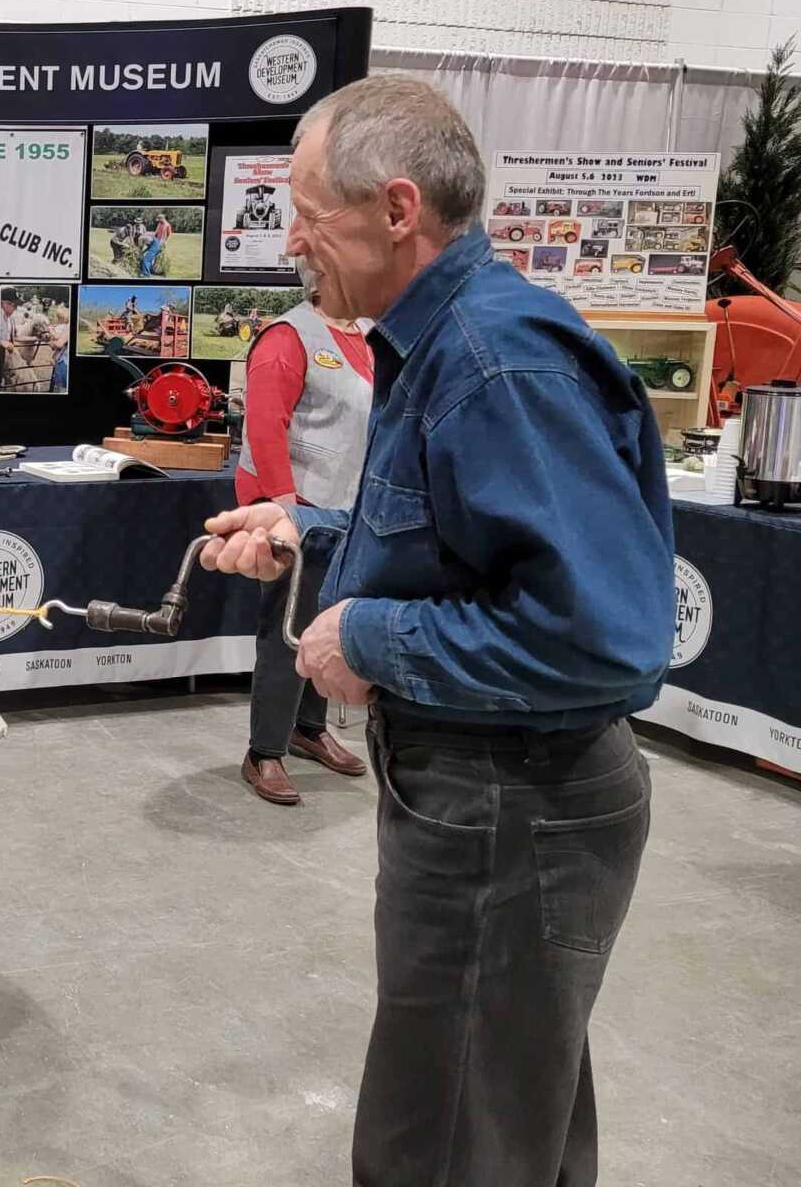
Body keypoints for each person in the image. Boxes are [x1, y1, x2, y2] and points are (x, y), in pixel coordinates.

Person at [198, 76, 669, 1184]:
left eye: (308, 211)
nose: (292, 242)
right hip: (495, 801)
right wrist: (310, 530)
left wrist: (369, 641)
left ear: (396, 209)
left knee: (450, 1133)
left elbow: (605, 638)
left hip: (515, 806)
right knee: (506, 1106)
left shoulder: (496, 360)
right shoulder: (444, 337)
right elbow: (454, 537)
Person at [231, 259, 371, 804]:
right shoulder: (287, 337)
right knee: (286, 631)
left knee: (331, 621)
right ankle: (263, 751)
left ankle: (308, 729)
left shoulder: (367, 337)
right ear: (326, 276)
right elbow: (264, 432)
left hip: (348, 511)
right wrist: (285, 517)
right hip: (299, 512)